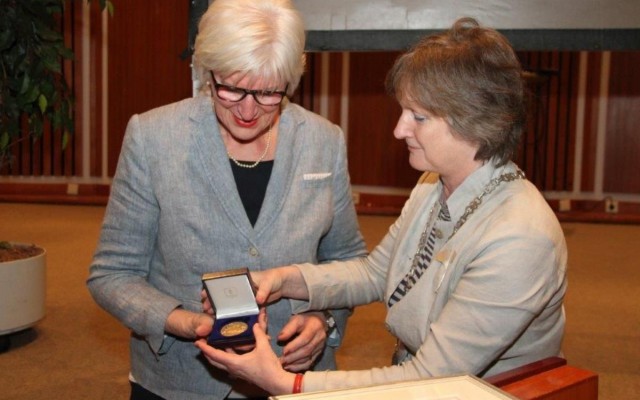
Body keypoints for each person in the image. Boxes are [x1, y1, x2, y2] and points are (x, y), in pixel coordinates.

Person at [195, 17, 568, 396]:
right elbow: (376, 273)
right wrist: (283, 279)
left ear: (475, 120)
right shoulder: (434, 182)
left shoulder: (519, 239)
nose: (399, 129)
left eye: (418, 117)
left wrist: (286, 382)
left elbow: (431, 377)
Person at [86, 0, 367, 399]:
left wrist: (323, 320)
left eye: (269, 93)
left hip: (295, 378)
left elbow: (349, 259)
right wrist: (184, 322)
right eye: (232, 88)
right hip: (182, 382)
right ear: (208, 71)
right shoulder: (153, 137)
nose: (248, 111)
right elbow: (112, 274)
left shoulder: (323, 140)